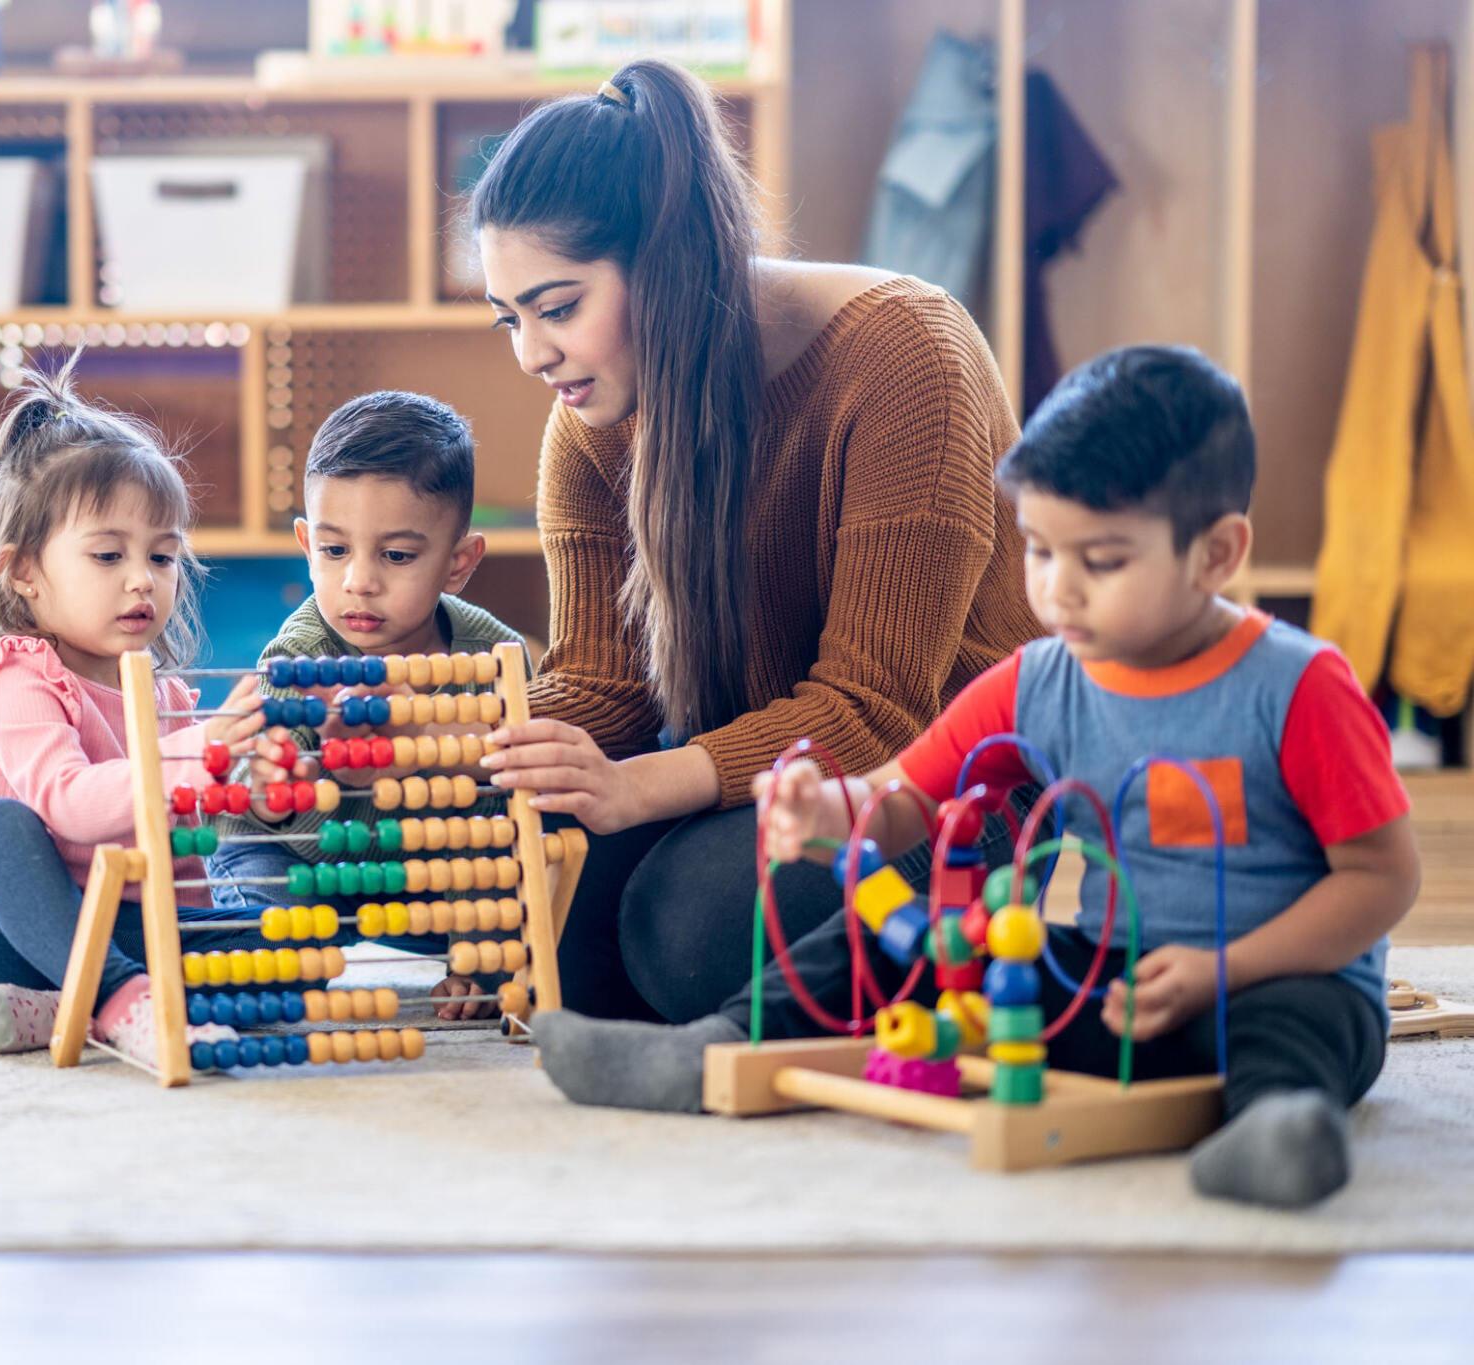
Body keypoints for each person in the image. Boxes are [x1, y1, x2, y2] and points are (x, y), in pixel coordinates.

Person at [531, 345, 1420, 1209]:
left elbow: (1382, 881)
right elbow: (905, 800)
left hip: (1282, 978)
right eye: (1040, 550)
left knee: (1304, 1024)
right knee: (925, 935)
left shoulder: (1300, 686)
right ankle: (720, 1043)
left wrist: (1226, 968)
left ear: (1218, 553)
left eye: (1102, 561)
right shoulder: (1040, 678)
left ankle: (1279, 1129)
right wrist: (826, 810)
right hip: (1117, 978)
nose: (1060, 591)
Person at [468, 58, 1039, 1022]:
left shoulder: (907, 359)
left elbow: (877, 714)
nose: (532, 353)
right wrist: (462, 751)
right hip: (751, 765)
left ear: (663, 260)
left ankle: (960, 952)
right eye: (509, 318)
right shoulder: (596, 417)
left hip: (932, 778)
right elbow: (605, 687)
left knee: (686, 933)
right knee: (527, 890)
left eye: (558, 308)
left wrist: (640, 787)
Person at [0, 356, 274, 1062]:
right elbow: (70, 804)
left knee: (294, 936)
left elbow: (183, 831)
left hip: (123, 928)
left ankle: (65, 1009)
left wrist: (253, 762)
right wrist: (198, 752)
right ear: (24, 572)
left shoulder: (162, 697)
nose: (143, 578)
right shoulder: (13, 676)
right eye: (108, 555)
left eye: (163, 558)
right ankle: (122, 1003)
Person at [207, 390, 527, 1019]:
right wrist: (316, 784)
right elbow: (291, 830)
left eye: (397, 555)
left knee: (528, 913)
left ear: (458, 563)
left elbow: (501, 817)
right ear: (306, 544)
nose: (359, 580)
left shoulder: (495, 657)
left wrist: (479, 938)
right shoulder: (296, 660)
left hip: (420, 880)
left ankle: (477, 946)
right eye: (334, 550)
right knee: (278, 960)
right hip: (293, 861)